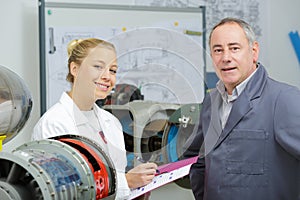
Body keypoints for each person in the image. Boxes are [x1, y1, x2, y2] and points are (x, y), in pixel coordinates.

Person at [183, 17, 300, 200]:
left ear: (254, 51)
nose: (226, 58)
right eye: (218, 50)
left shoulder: (285, 99)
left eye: (234, 48)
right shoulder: (211, 101)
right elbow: (199, 160)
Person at [32, 38, 157, 199]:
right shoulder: (54, 124)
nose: (107, 76)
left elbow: (115, 177)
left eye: (112, 70)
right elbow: (63, 188)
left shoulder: (112, 123)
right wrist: (127, 182)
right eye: (98, 67)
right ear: (75, 69)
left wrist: (135, 192)